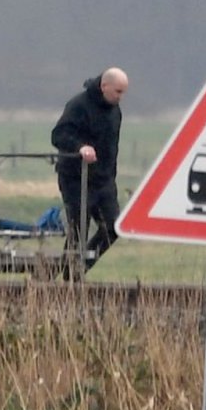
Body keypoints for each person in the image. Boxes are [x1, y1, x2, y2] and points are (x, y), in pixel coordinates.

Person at [51, 66, 129, 278]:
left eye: (123, 93)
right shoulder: (79, 105)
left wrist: (111, 177)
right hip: (76, 178)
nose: (121, 97)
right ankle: (61, 278)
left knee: (114, 228)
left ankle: (78, 268)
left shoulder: (115, 112)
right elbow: (58, 135)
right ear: (104, 86)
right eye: (118, 92)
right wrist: (80, 147)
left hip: (104, 181)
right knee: (78, 231)